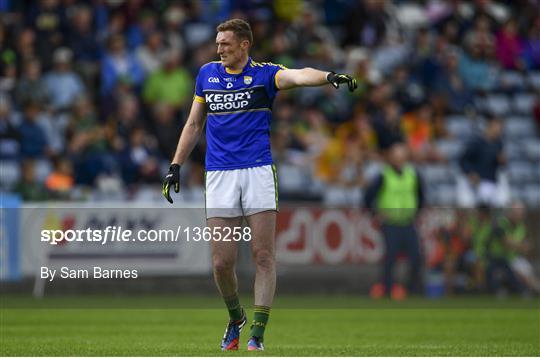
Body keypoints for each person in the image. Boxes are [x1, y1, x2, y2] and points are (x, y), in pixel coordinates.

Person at [161, 18, 357, 351]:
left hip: (258, 171)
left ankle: (257, 333)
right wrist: (175, 165)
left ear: (244, 45)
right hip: (220, 174)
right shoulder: (207, 75)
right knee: (221, 262)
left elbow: (297, 75)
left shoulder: (265, 74)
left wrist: (327, 77)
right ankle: (236, 316)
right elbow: (194, 124)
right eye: (217, 42)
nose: (219, 48)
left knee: (263, 255)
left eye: (225, 43)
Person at [364, 142, 425, 299]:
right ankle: (388, 289)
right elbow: (367, 197)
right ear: (390, 158)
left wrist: (417, 213)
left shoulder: (413, 174)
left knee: (416, 257)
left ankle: (411, 289)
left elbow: (421, 196)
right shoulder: (383, 175)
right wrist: (375, 214)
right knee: (390, 258)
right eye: (396, 156)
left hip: (408, 222)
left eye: (402, 155)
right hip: (390, 223)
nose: (399, 159)